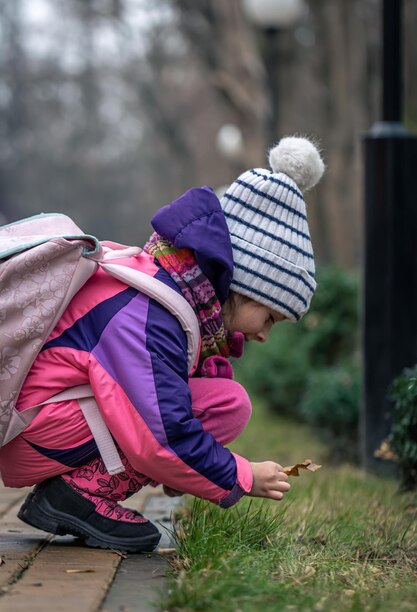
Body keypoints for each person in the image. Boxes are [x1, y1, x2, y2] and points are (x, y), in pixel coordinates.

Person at [0, 136, 325, 553]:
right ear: (246, 287)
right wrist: (241, 475)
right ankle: (77, 496)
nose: (263, 334)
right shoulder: (150, 313)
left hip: (50, 419)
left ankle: (77, 491)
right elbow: (162, 435)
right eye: (270, 318)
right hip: (31, 431)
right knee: (175, 418)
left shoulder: (163, 287)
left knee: (225, 403)